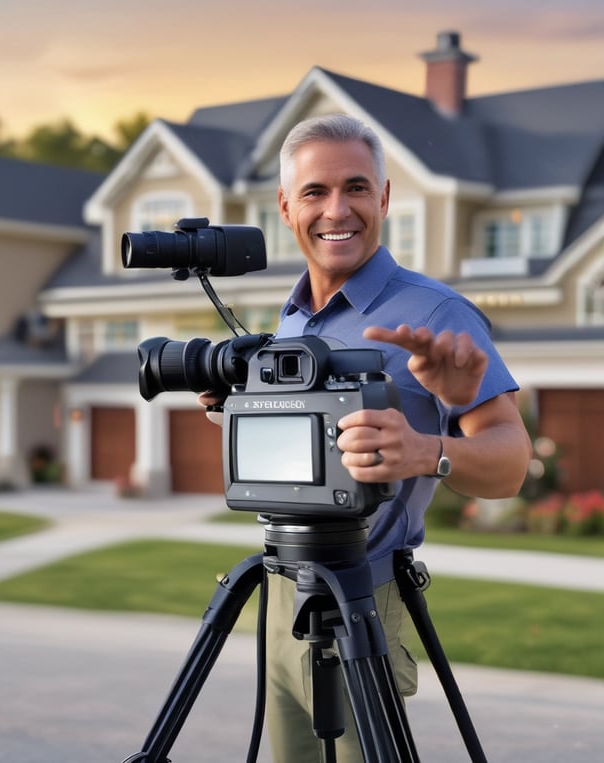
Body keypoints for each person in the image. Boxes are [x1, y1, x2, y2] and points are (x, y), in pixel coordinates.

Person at [201, 113, 532, 762]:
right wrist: (234, 410)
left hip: (365, 594)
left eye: (356, 187)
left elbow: (511, 461)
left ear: (383, 197)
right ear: (286, 207)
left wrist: (425, 450)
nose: (337, 209)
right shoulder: (291, 318)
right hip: (278, 590)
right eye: (316, 192)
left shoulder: (437, 314)